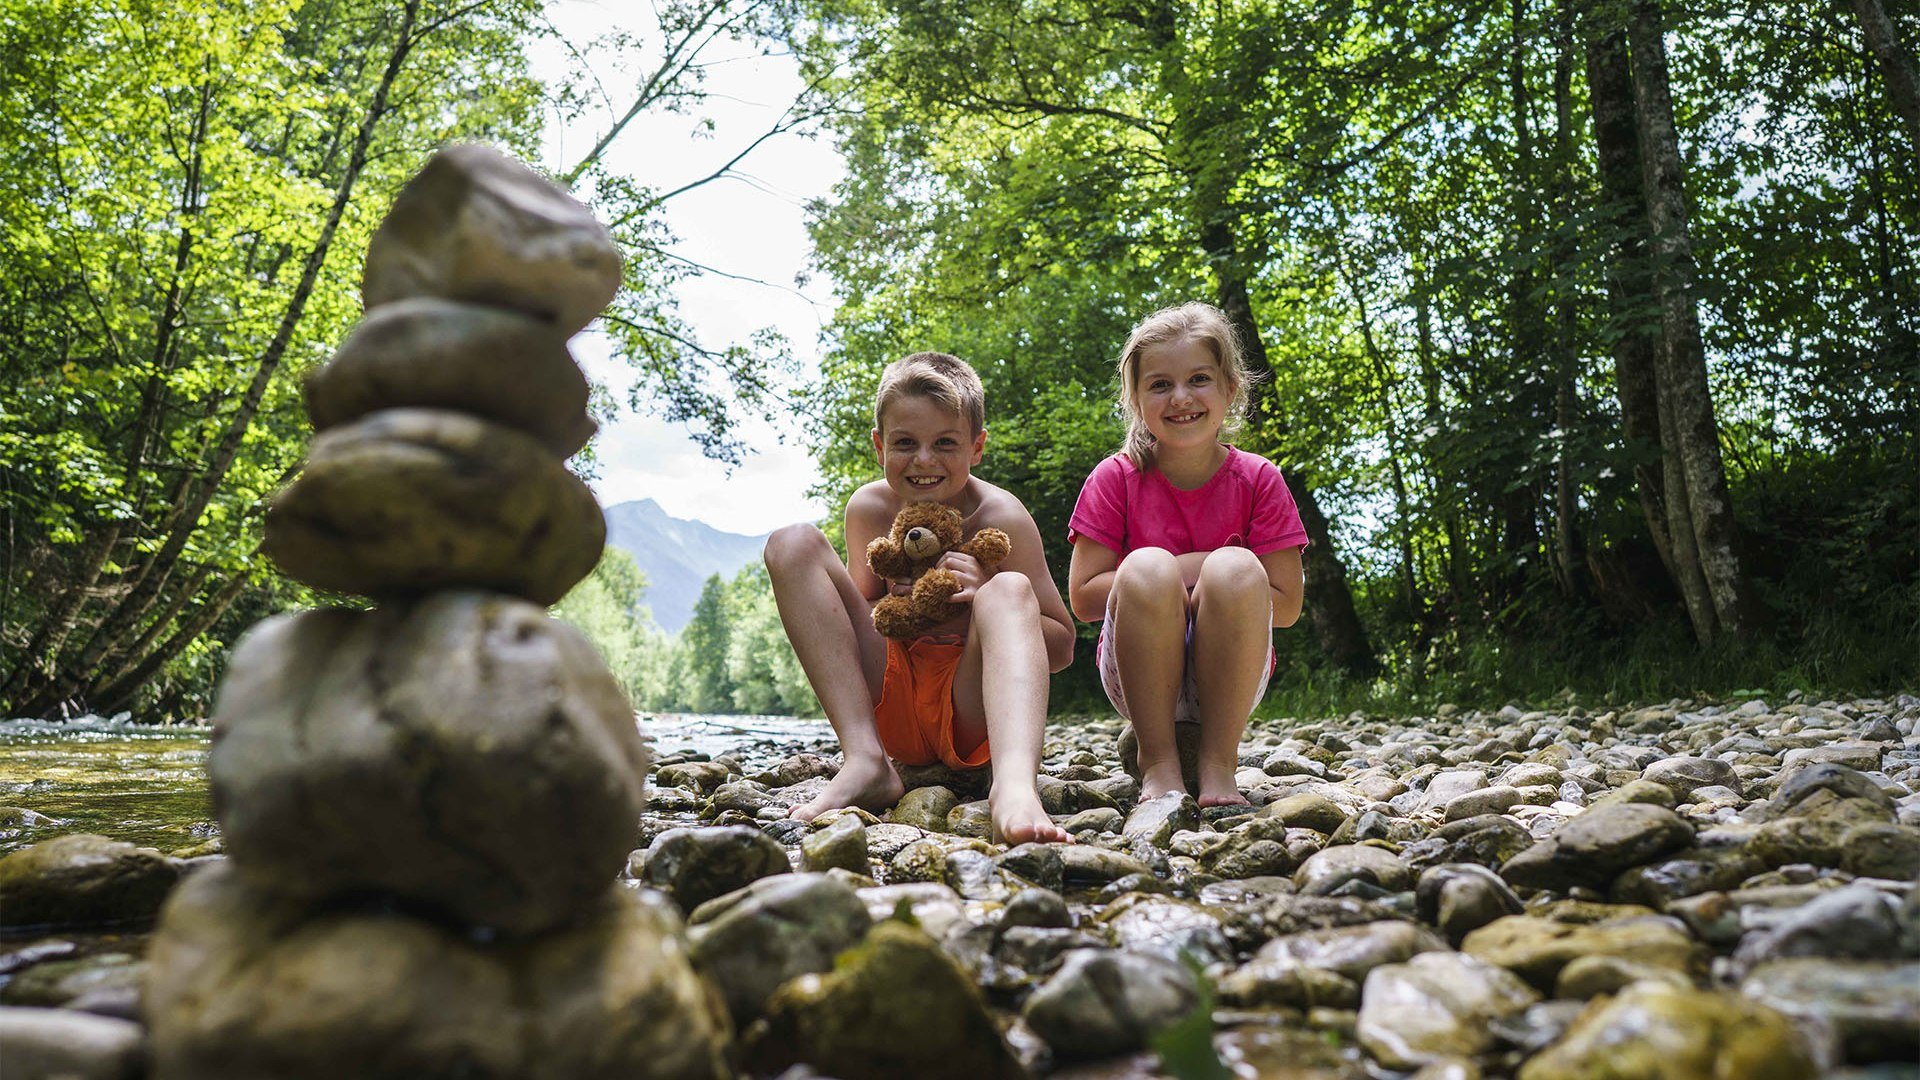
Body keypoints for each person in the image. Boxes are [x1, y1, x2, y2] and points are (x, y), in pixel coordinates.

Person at [763, 351, 1075, 844]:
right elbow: (849, 626)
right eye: (905, 443)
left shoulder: (1002, 516)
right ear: (878, 445)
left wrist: (982, 597)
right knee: (792, 542)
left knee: (1011, 589)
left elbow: (1061, 647)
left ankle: (1014, 787)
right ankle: (866, 760)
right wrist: (894, 607)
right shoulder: (869, 509)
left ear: (977, 447)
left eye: (945, 443)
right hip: (893, 701)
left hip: (969, 706)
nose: (923, 460)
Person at [1066, 302, 1307, 807]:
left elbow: (1285, 607)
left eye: (1199, 378)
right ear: (1135, 398)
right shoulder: (1115, 478)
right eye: (1159, 384)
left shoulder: (1259, 479)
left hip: (1235, 673)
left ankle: (1218, 765)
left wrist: (1214, 568)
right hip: (1136, 673)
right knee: (1148, 566)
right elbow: (1085, 600)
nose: (1181, 398)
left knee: (1237, 567)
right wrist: (1182, 570)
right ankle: (1158, 762)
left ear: (1230, 389)